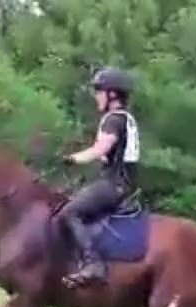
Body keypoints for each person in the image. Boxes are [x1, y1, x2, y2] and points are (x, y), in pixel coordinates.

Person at [56, 66, 141, 288]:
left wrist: (73, 158)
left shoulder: (112, 119)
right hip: (123, 183)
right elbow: (111, 155)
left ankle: (93, 264)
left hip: (113, 185)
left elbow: (100, 149)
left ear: (112, 94)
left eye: (99, 91)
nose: (96, 97)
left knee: (69, 213)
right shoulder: (126, 118)